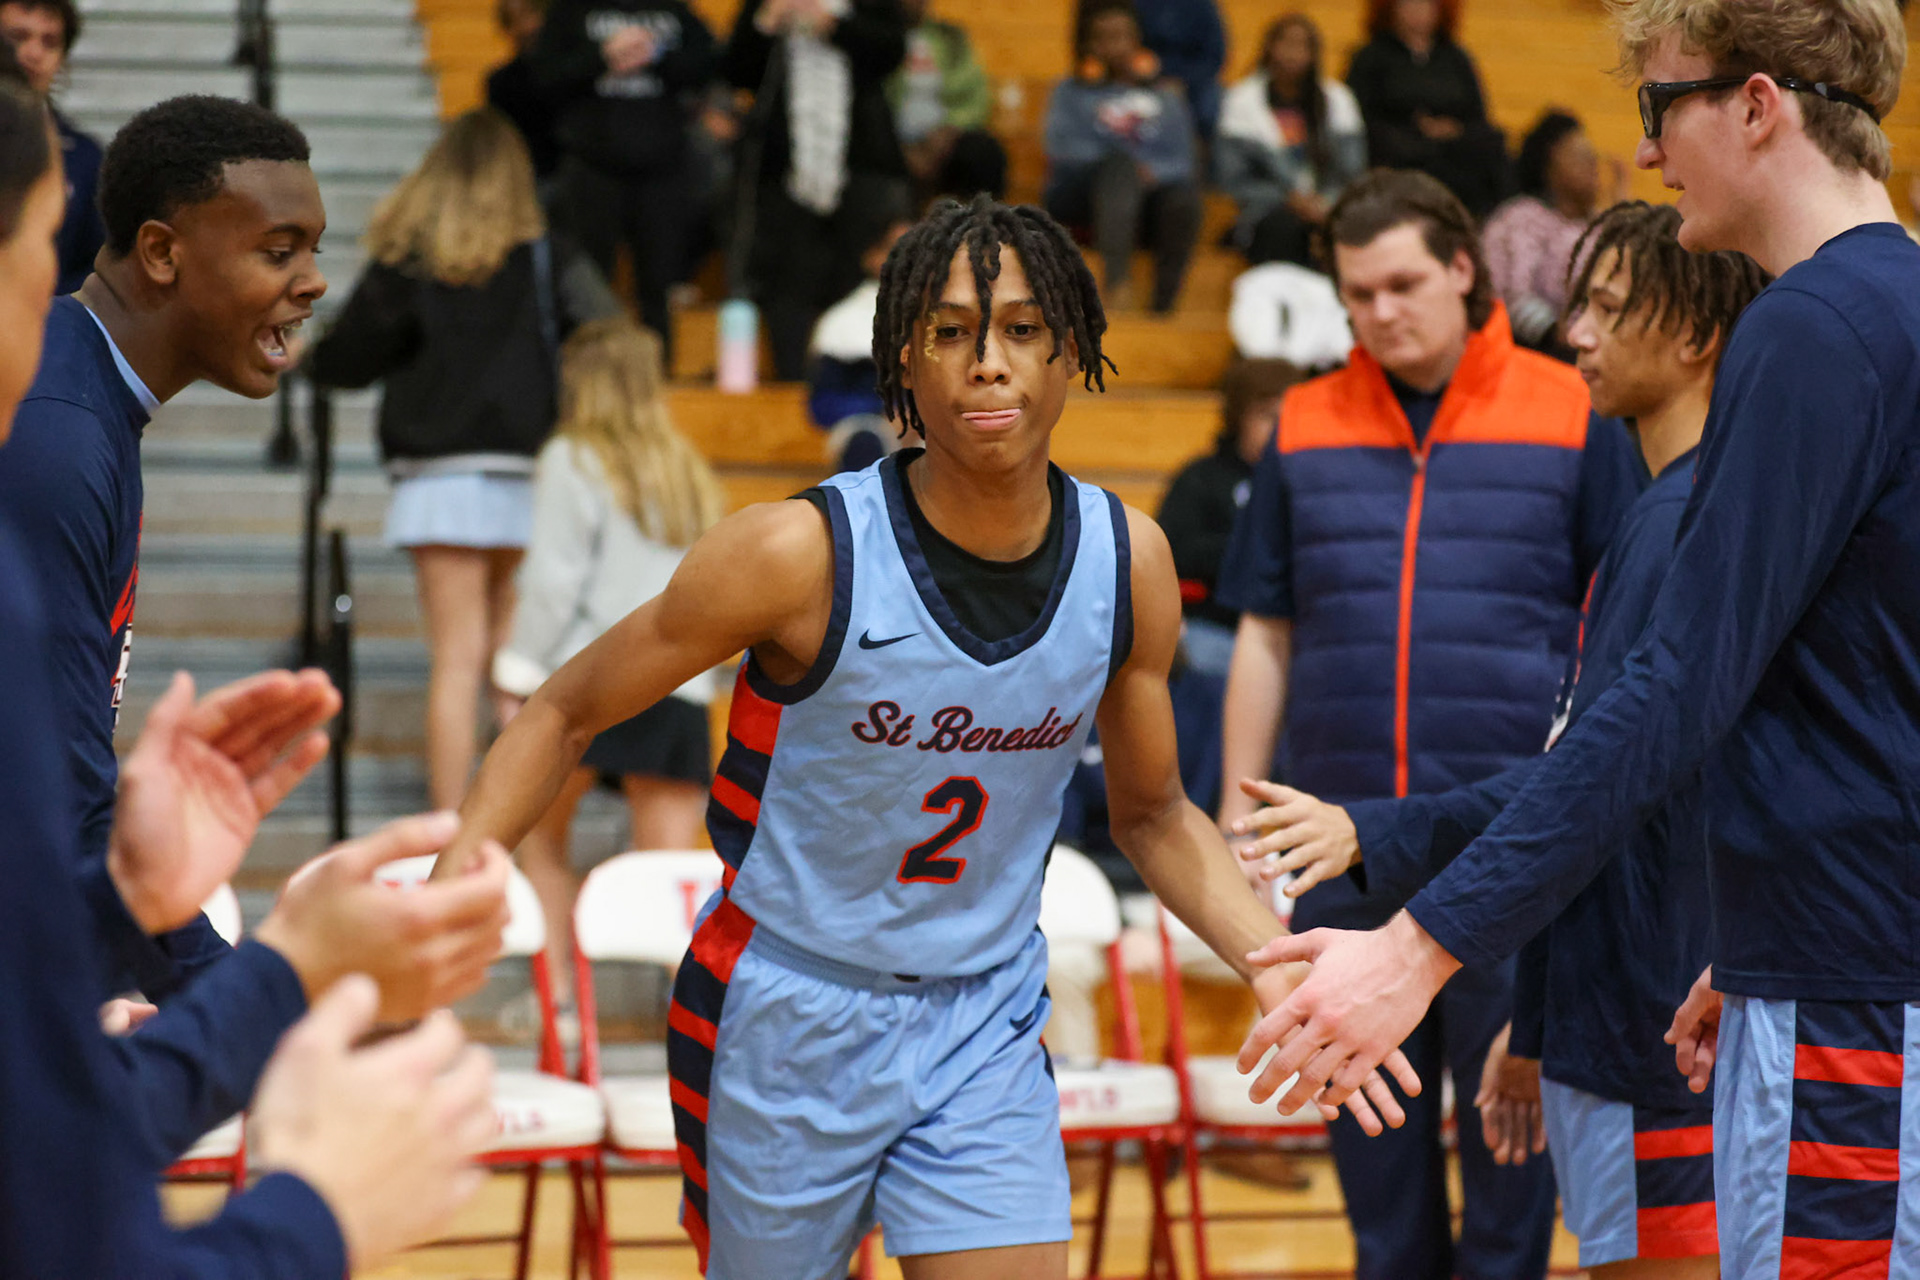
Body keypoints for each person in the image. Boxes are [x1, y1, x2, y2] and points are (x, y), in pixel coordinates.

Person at [425, 194, 1416, 1279]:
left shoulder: (1126, 564)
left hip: (981, 1017)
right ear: (905, 354)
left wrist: (1270, 962)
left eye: (1024, 328)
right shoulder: (792, 554)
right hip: (785, 1007)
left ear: (1069, 349)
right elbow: (565, 706)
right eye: (951, 331)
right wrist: (457, 876)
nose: (988, 363)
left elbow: (1151, 812)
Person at [1236, 5, 1920, 1277]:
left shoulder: (1813, 324)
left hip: (1852, 986)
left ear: (1758, 105)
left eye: (1661, 108)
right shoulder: (1893, 306)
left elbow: (1675, 690)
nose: (1647, 154)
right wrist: (1754, 932)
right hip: (1828, 950)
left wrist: (1415, 943)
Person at [0, 68, 506, 1278]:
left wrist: (165, 919)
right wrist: (262, 992)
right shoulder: (60, 438)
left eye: (316, 246)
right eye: (280, 246)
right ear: (164, 253)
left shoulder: (82, 413)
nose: (315, 279)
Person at [1235, 201, 1770, 1278]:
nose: (1577, 332)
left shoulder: (1663, 500)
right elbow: (1589, 761)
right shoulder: (1664, 511)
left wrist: (1380, 833)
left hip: (1621, 983)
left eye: (1609, 309)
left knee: (1516, 1234)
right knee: (1389, 1219)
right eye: (1357, 294)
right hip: (1551, 946)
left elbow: (1600, 777)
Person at [308, 108, 618, 814]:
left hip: (438, 477)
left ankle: (449, 831)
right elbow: (608, 336)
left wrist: (313, 353)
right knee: (513, 660)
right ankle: (513, 828)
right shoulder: (548, 256)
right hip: (532, 473)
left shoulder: (412, 260)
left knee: (456, 660)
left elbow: (349, 360)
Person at [493, 317, 726, 1012]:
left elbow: (554, 582)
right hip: (679, 688)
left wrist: (516, 671)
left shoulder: (573, 456)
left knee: (542, 840)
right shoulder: (686, 466)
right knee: (670, 877)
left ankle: (558, 1000)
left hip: (596, 678)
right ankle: (691, 1019)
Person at [726, 0, 910, 380]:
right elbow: (736, 70)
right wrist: (767, 21)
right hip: (783, 171)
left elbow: (892, 50)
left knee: (858, 275)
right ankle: (792, 382)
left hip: (860, 164)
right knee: (787, 281)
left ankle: (865, 384)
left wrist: (834, 26)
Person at [532, 0, 716, 348]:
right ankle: (585, 378)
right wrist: (603, 56)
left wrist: (656, 54)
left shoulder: (673, 9)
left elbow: (709, 65)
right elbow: (544, 78)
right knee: (586, 283)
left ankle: (656, 381)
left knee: (658, 288)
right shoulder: (571, 10)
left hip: (662, 167)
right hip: (592, 165)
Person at [1043, 0, 1202, 313]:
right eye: (1104, 37)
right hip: (1083, 196)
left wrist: (1150, 172)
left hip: (1150, 197)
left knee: (1183, 200)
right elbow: (1062, 148)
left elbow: (1183, 160)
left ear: (1137, 41)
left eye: (1122, 36)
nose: (1114, 46)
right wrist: (1119, 162)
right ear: (1089, 44)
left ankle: (1164, 305)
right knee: (1119, 168)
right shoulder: (1070, 92)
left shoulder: (1165, 96)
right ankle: (1116, 283)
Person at [1215, 13, 1366, 267]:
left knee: (1346, 232)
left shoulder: (1337, 100)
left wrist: (1324, 204)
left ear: (1314, 52)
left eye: (1302, 45)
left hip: (1329, 208)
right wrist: (1289, 200)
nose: (1293, 53)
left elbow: (1353, 172)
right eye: (1286, 43)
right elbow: (1232, 179)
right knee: (1286, 228)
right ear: (1269, 47)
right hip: (1264, 212)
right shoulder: (1242, 102)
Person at [1345, 0, 1510, 218]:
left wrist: (1453, 129)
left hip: (1452, 149)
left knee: (1492, 144)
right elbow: (1358, 116)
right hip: (1399, 150)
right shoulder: (1370, 56)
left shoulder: (1456, 57)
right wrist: (1415, 129)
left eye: (1426, 4)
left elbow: (1478, 115)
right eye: (1408, 4)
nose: (1417, 11)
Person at [1483, 111, 1626, 351]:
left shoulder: (1604, 223)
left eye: (1593, 157)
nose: (1592, 165)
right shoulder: (1521, 219)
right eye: (1580, 156)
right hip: (1545, 350)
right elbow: (1511, 297)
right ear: (1548, 165)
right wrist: (1557, 335)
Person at [0, 0, 101, 292]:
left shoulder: (85, 158)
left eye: (50, 42)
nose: (33, 53)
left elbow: (96, 266)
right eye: (17, 37)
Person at [888, 0, 1006, 203]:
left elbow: (977, 97)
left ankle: (981, 226)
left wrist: (947, 132)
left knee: (984, 153)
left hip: (946, 137)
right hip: (891, 139)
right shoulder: (876, 37)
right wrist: (901, 146)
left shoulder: (951, 38)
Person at [486, 0, 564, 189]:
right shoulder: (500, 81)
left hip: (567, 173)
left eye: (532, 14)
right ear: (507, 28)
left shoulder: (569, 74)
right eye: (519, 19)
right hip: (525, 177)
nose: (530, 26)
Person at [1130, 0, 1225, 140]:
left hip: (1195, 80)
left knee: (1210, 109)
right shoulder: (1140, 5)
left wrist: (1184, 81)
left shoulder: (1202, 5)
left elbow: (1214, 56)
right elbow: (1131, 46)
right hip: (1148, 77)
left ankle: (1204, 152)